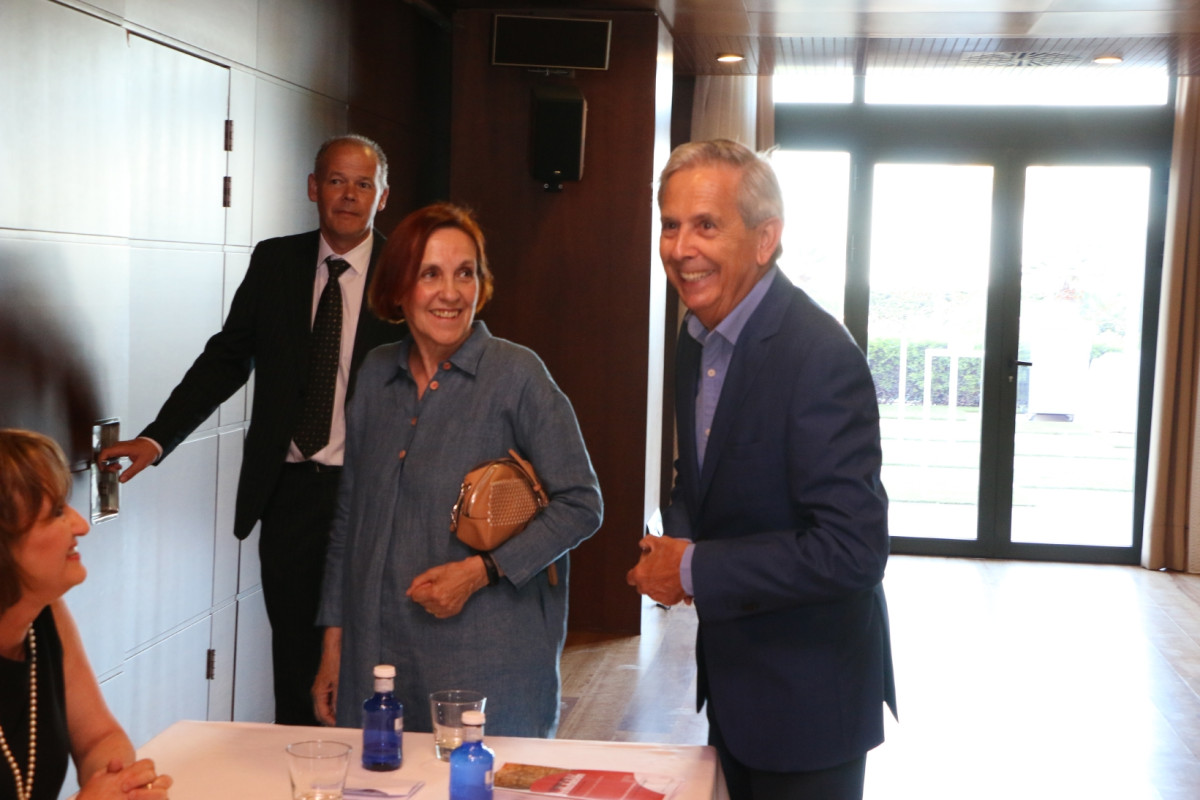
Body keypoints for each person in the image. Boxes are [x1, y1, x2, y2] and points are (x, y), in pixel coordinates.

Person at [97, 134, 405, 725]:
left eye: (363, 183)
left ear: (382, 196)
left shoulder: (406, 273)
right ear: (313, 188)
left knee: (374, 655)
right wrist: (158, 438)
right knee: (295, 658)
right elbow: (228, 358)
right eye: (336, 180)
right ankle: (304, 767)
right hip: (289, 492)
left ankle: (375, 764)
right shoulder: (276, 262)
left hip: (372, 494)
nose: (348, 195)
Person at [626, 139, 897, 800]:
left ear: (765, 239)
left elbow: (853, 551)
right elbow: (701, 478)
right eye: (670, 225)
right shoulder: (697, 338)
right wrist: (672, 541)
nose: (680, 248)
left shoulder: (819, 355)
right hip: (737, 689)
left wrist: (692, 567)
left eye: (706, 225)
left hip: (811, 704)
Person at [313, 202, 602, 737]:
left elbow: (582, 504)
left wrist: (480, 571)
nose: (450, 293)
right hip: (376, 656)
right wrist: (334, 643)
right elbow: (349, 520)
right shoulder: (375, 376)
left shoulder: (517, 375)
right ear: (399, 287)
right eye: (430, 274)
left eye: (464, 273)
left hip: (487, 658)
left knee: (480, 778)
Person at [0, 429, 173, 800]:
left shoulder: (43, 611)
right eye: (57, 513)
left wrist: (121, 783)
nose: (81, 525)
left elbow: (99, 737)